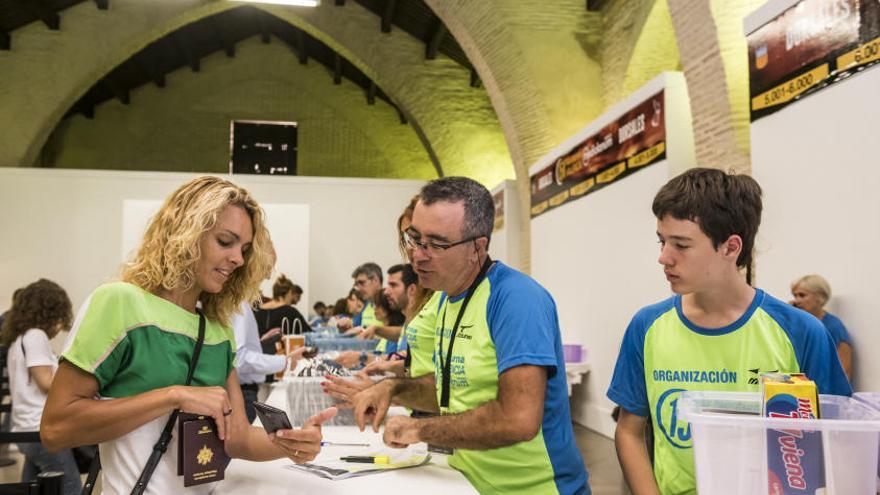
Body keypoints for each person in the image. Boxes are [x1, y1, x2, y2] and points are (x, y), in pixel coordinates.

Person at [41, 176, 336, 494]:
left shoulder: (218, 328)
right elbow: (57, 427)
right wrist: (175, 396)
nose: (238, 258)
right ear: (185, 234)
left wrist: (290, 444)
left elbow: (236, 438)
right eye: (226, 241)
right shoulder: (120, 303)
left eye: (245, 249)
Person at [607, 168, 852, 495]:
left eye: (681, 244)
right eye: (662, 241)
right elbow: (629, 432)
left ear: (730, 247)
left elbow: (838, 439)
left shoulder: (801, 331)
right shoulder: (647, 326)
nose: (663, 257)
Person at [351, 177, 588, 494]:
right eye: (414, 238)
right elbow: (453, 391)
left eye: (435, 244)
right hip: (467, 483)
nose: (417, 255)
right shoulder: (448, 297)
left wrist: (419, 429)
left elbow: (517, 418)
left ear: (478, 246)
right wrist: (391, 389)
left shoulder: (516, 300)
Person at [1, 279, 81, 495]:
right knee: (70, 486)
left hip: (28, 430)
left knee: (34, 488)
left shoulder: (19, 338)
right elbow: (46, 382)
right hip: (41, 429)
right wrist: (74, 378)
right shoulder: (36, 336)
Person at [232, 300, 306, 423]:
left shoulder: (237, 304)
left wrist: (259, 343)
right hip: (241, 392)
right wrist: (285, 362)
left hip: (242, 390)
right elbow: (239, 359)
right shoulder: (238, 304)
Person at [791, 274, 853, 381]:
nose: (796, 301)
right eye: (795, 296)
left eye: (802, 295)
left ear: (820, 297)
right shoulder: (798, 324)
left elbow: (844, 372)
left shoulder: (834, 327)